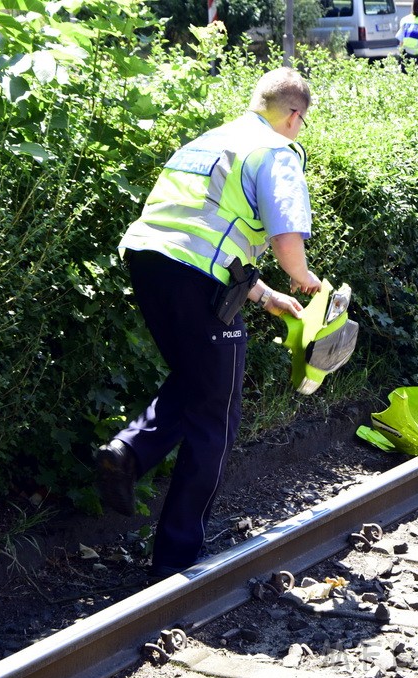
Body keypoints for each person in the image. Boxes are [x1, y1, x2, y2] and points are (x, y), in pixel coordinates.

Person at [95, 67, 323, 578]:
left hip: (147, 261)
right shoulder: (275, 149)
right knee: (216, 412)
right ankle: (176, 560)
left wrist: (265, 297)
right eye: (301, 122)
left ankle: (128, 451)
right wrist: (303, 279)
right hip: (198, 279)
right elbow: (286, 234)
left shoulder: (211, 141)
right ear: (293, 114)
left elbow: (202, 230)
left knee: (200, 382)